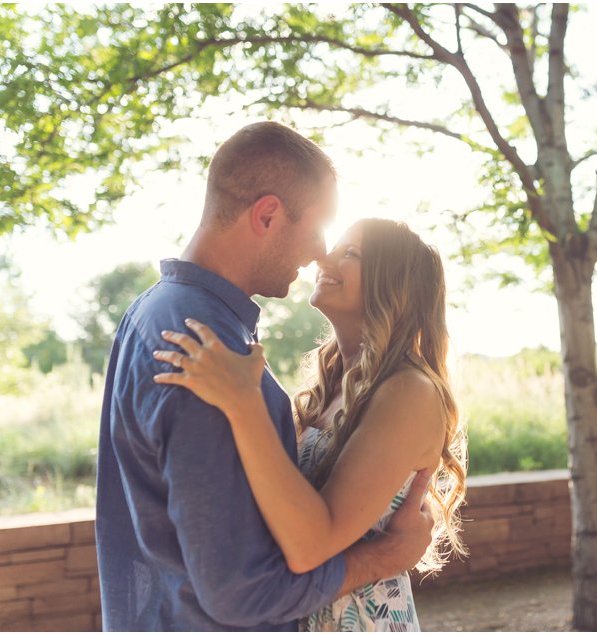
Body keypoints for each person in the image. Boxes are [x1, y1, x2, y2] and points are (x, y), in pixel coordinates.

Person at [96, 122, 435, 631]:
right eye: (323, 232)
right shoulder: (205, 348)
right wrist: (388, 557)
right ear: (268, 214)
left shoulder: (155, 316)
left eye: (347, 250)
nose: (320, 253)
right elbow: (245, 594)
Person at [151, 218, 467, 631]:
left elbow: (311, 546)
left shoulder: (409, 391)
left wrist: (243, 403)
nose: (323, 257)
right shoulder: (335, 384)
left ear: (393, 285)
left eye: (350, 253)